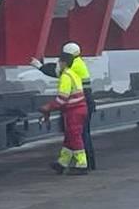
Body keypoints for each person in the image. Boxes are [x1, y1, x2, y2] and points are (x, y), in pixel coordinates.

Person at [31, 42, 96, 170]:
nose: (59, 61)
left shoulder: (70, 71)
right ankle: (63, 163)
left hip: (76, 106)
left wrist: (40, 66)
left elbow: (61, 92)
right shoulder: (78, 63)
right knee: (73, 134)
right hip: (81, 104)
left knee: (78, 135)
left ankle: (84, 164)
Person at [39, 52, 89, 175]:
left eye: (59, 61)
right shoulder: (73, 74)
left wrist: (48, 107)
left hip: (74, 110)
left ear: (64, 63)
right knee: (69, 137)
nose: (58, 64)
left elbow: (62, 98)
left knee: (75, 137)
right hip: (79, 109)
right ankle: (62, 163)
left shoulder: (65, 77)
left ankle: (81, 165)